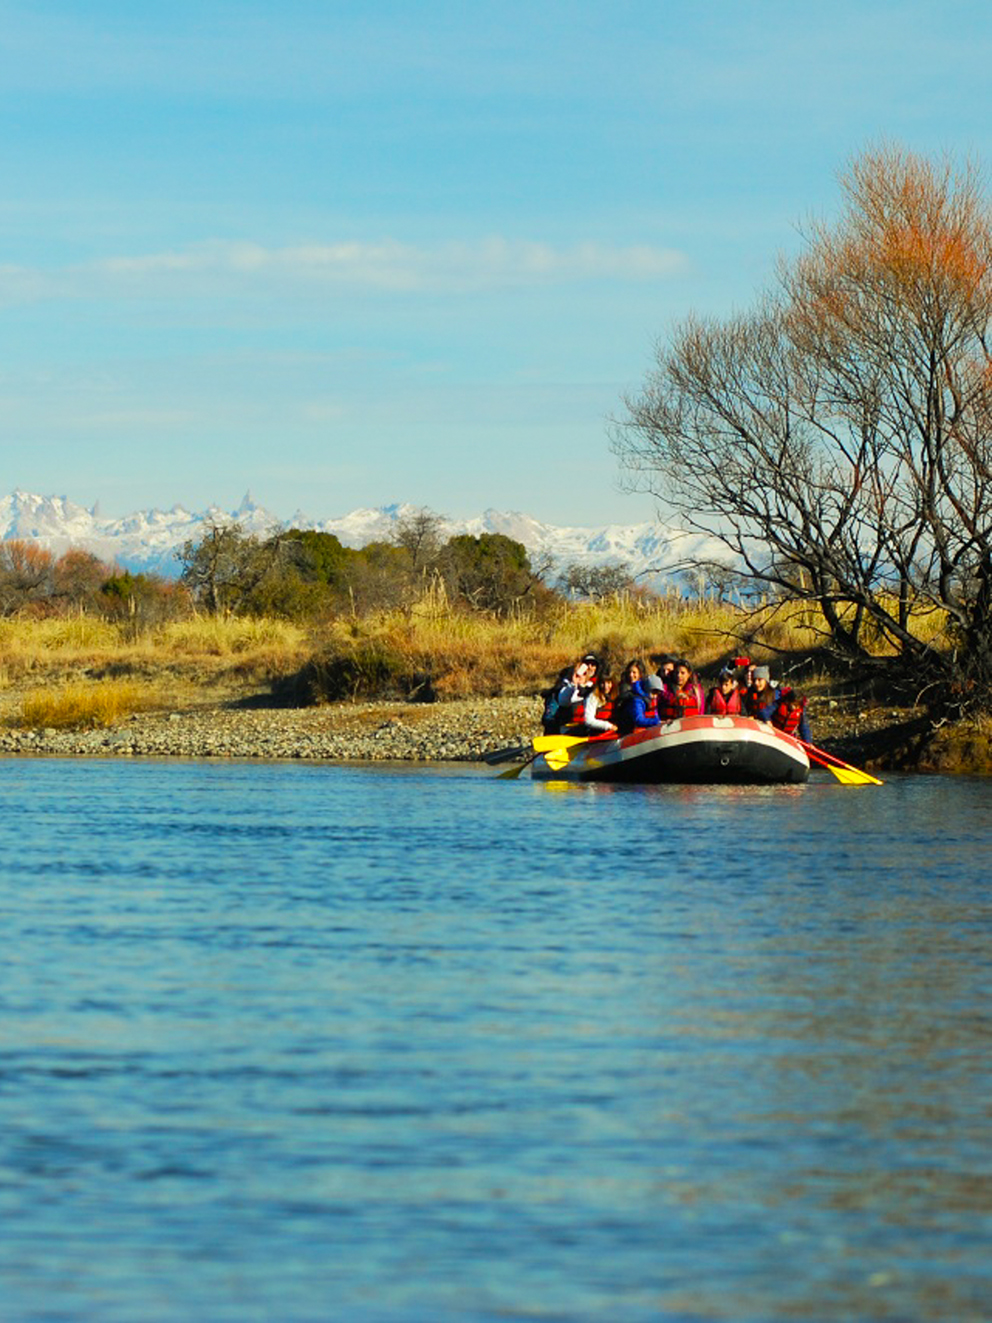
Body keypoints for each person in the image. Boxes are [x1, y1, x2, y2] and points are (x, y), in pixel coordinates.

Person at [541, 653, 599, 734]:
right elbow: (564, 701)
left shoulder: (596, 685)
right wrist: (574, 684)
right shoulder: (568, 685)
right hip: (569, 726)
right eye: (587, 664)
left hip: (587, 725)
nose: (590, 667)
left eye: (593, 665)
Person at [614, 659, 662, 735]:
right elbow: (638, 719)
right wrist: (657, 722)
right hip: (627, 730)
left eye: (634, 672)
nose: (631, 675)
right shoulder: (634, 697)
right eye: (629, 672)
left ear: (640, 674)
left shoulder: (647, 694)